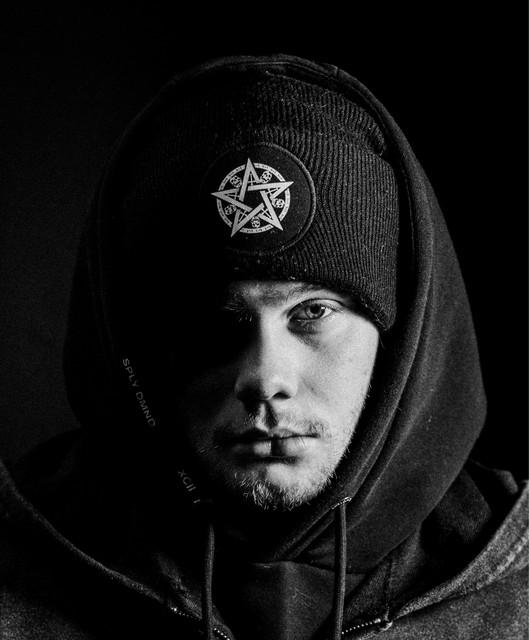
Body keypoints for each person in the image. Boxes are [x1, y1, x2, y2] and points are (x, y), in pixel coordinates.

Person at [0, 54, 526, 640]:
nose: (265, 377)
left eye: (313, 312)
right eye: (213, 321)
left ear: (399, 340)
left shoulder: (513, 593)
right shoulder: (18, 578)